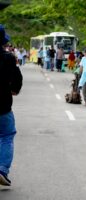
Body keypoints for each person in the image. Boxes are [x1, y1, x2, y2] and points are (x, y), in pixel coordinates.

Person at [0, 24, 23, 186]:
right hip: (2, 106)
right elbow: (17, 78)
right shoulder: (8, 58)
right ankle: (2, 169)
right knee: (7, 136)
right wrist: (13, 90)